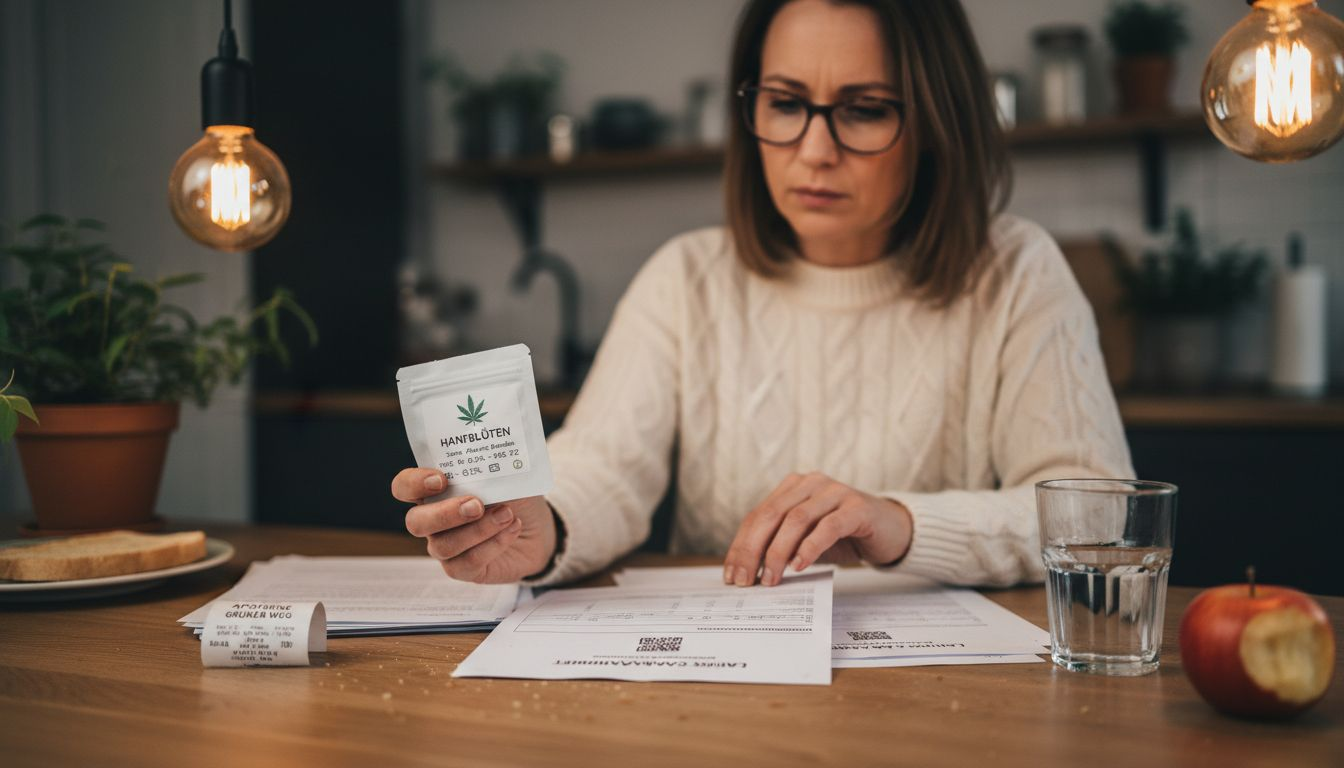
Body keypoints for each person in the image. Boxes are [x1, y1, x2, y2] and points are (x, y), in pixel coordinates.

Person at [391, 0, 1133, 589]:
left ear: (938, 123)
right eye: (785, 103)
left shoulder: (1016, 272)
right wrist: (537, 529)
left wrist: (900, 522)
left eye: (865, 109)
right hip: (724, 685)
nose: (814, 150)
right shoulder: (687, 278)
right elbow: (604, 465)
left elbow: (1099, 519)